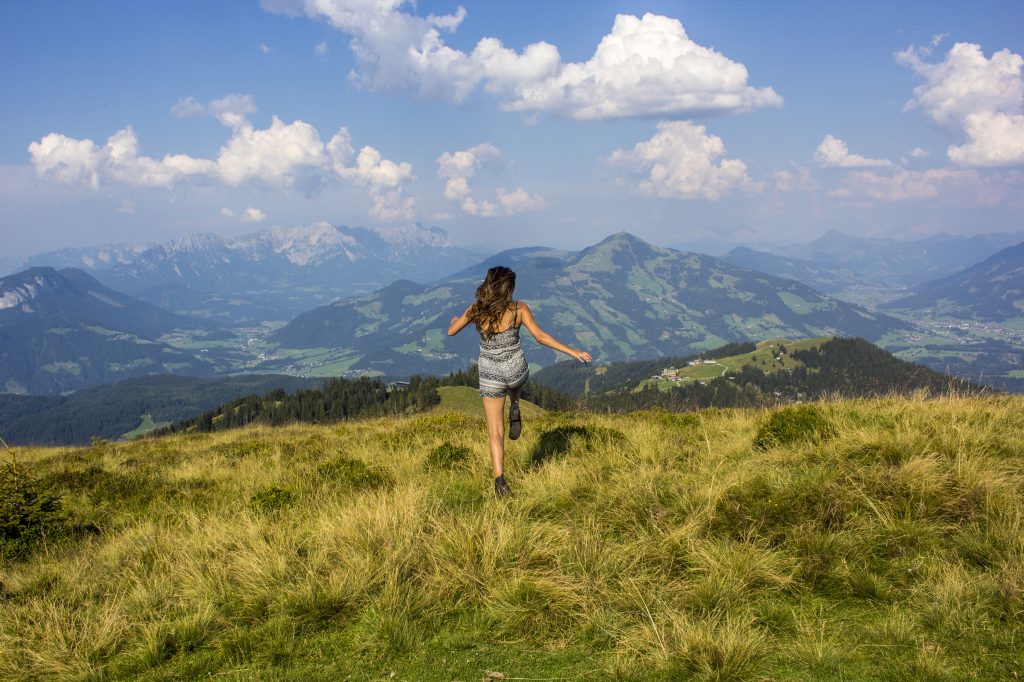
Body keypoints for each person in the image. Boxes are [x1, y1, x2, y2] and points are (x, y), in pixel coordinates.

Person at [447, 266, 592, 498]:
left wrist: (457, 319)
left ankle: (499, 482)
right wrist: (572, 351)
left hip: (489, 375)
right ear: (508, 288)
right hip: (516, 371)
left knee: (495, 431)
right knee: (517, 379)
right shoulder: (518, 309)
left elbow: (451, 331)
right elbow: (541, 337)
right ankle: (515, 401)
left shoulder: (475, 310)